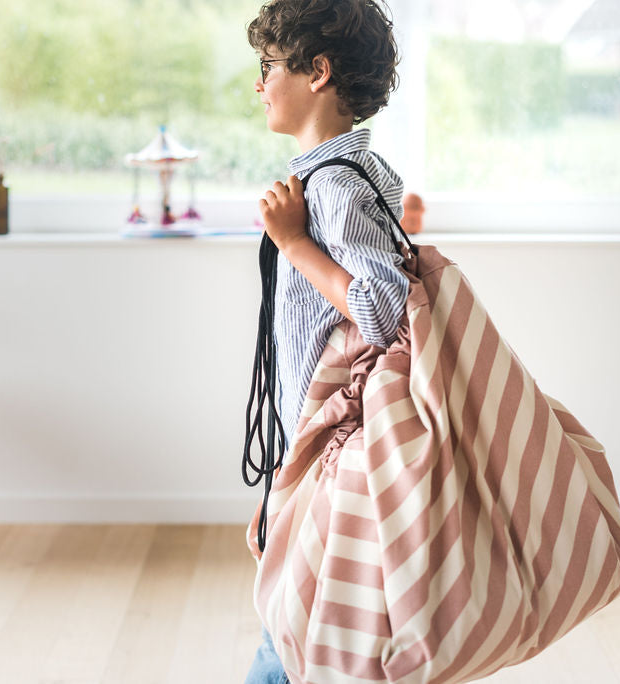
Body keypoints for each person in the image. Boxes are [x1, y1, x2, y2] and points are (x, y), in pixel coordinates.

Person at [244, 1, 407, 681]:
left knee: (289, 638)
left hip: (325, 449)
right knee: (304, 629)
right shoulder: (360, 175)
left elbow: (378, 308)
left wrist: (292, 242)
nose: (258, 85)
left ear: (318, 72)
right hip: (318, 454)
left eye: (268, 67)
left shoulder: (334, 186)